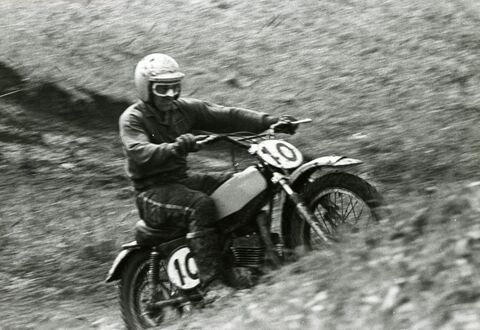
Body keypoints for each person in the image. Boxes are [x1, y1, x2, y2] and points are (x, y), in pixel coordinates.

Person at [119, 53, 297, 300]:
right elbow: (139, 151)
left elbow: (225, 115)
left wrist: (270, 122)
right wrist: (175, 148)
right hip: (151, 192)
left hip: (181, 182)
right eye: (162, 89)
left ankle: (258, 263)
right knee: (199, 205)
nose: (171, 95)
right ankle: (211, 284)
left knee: (246, 186)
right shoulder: (133, 118)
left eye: (174, 87)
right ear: (146, 89)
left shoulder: (183, 110)